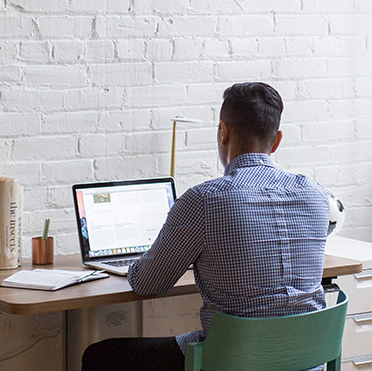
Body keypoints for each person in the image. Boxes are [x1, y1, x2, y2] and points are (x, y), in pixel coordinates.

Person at [82, 82, 330, 371]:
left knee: (100, 356)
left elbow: (147, 283)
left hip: (232, 360)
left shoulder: (205, 200)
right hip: (307, 359)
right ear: (277, 141)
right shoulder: (315, 194)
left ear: (223, 132)